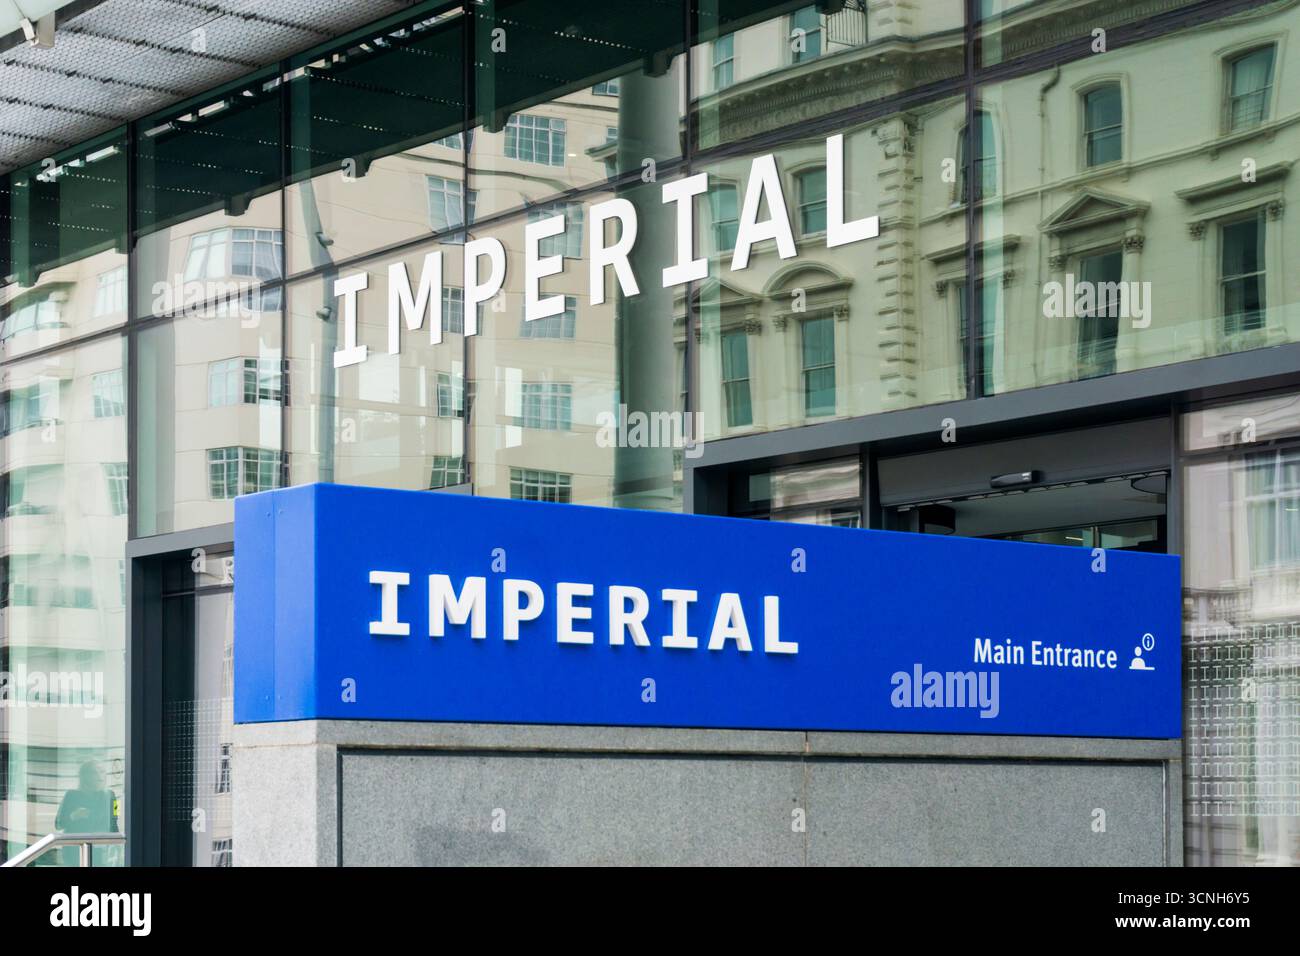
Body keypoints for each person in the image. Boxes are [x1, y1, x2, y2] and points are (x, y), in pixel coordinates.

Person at [54, 761, 118, 866]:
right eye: (94, 772)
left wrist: (117, 847)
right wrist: (73, 816)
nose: (99, 775)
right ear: (85, 776)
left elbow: (114, 822)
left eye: (102, 771)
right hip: (74, 849)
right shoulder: (71, 795)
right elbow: (58, 824)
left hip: (100, 850)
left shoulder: (111, 796)